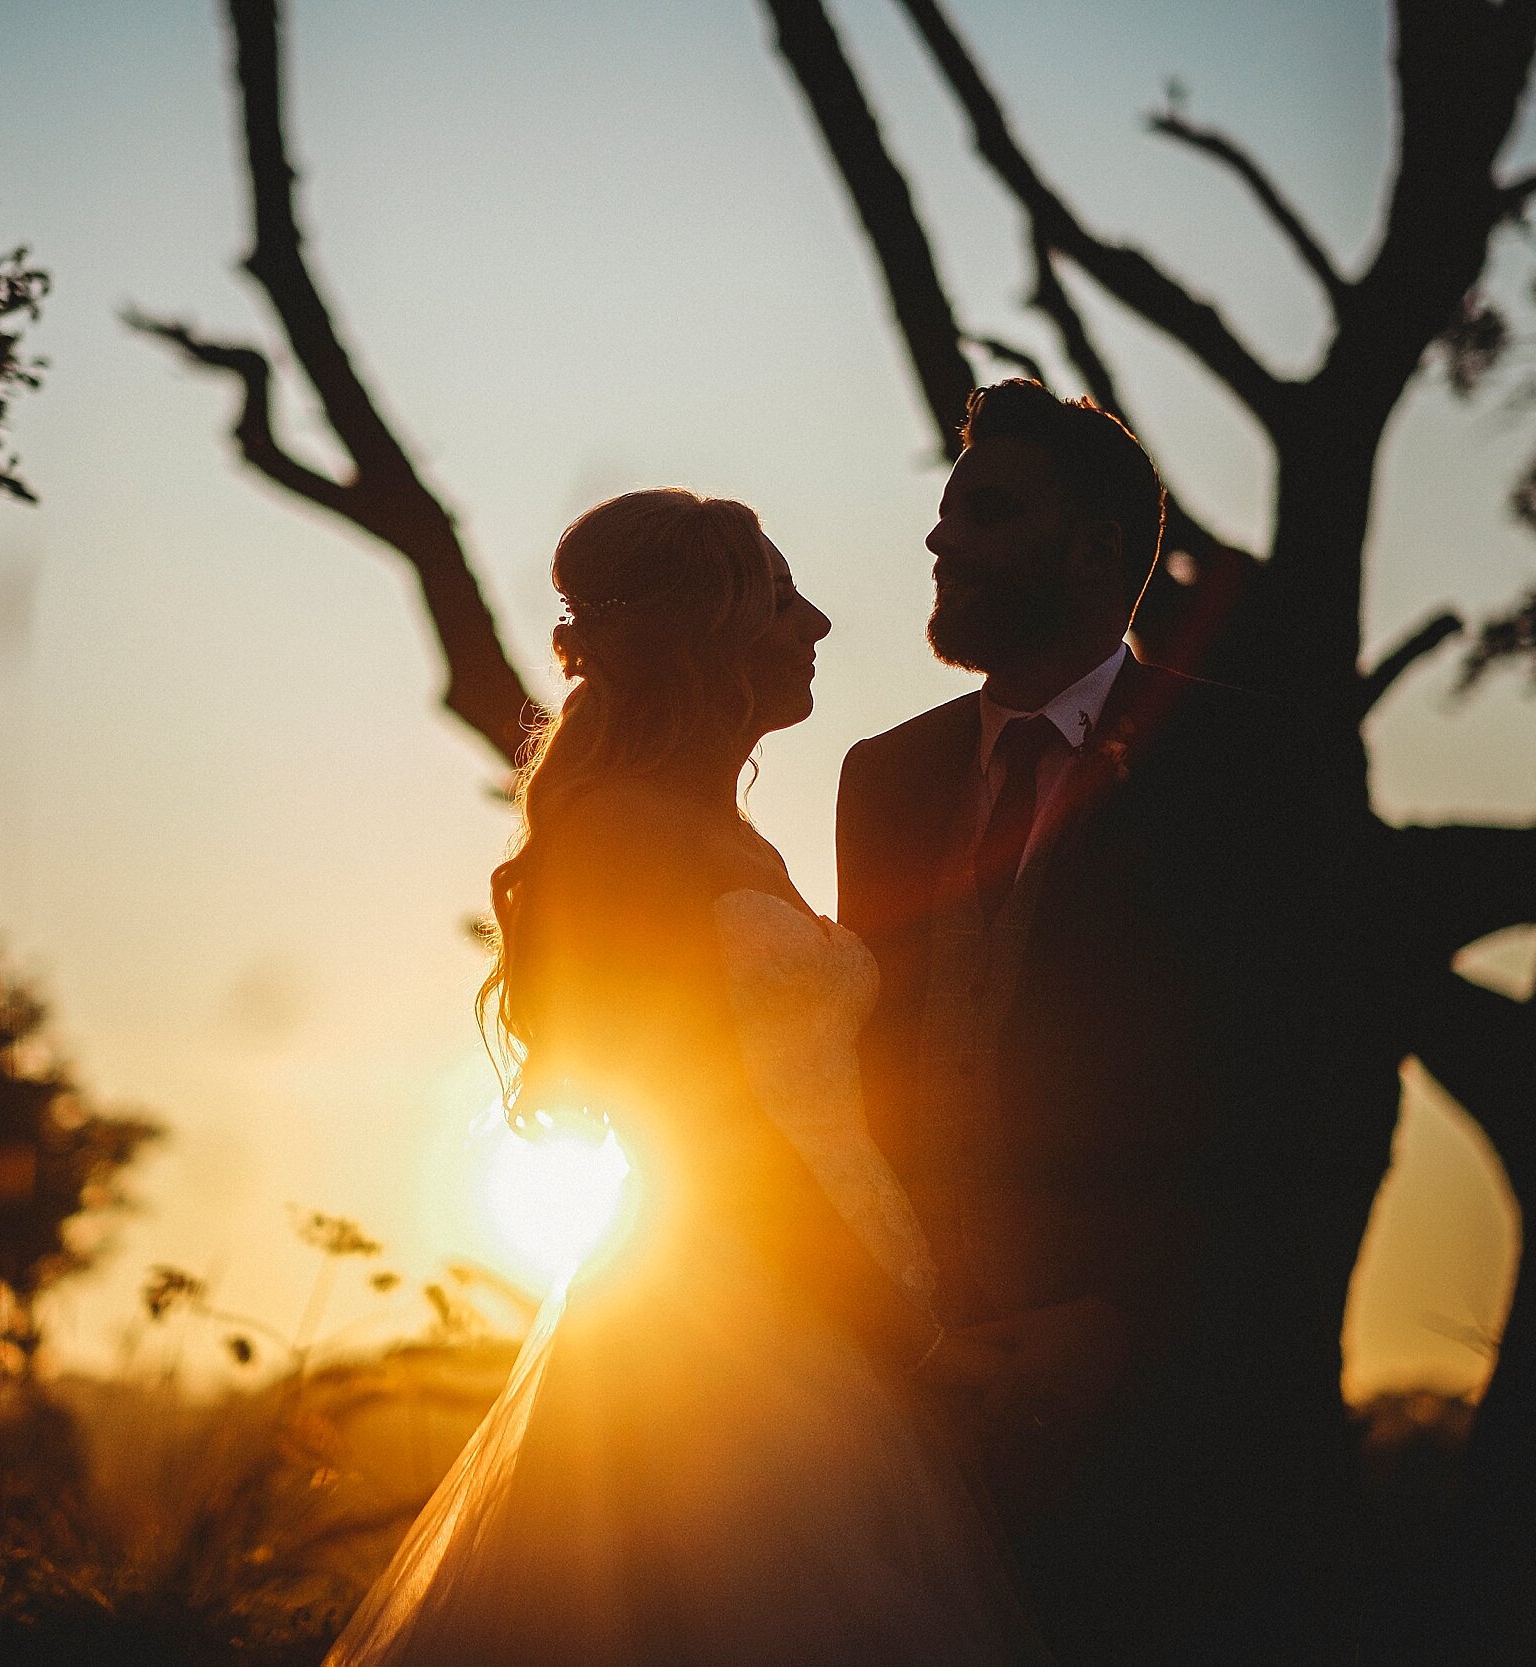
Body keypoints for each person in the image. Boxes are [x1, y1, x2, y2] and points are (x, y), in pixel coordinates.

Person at [325, 489, 1048, 1667]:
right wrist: (897, 1336)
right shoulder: (616, 830)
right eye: (777, 595)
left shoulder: (728, 829)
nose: (817, 620)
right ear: (699, 632)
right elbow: (707, 1134)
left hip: (851, 1304)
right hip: (733, 1331)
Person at [836, 380, 1390, 1663]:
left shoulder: (1249, 762)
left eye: (987, 511)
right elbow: (875, 1065)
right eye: (942, 511)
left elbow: (1299, 1089)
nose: (940, 540)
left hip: (1173, 1439)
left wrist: (1124, 1324)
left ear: (1094, 551)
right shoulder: (884, 777)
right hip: (918, 1415)